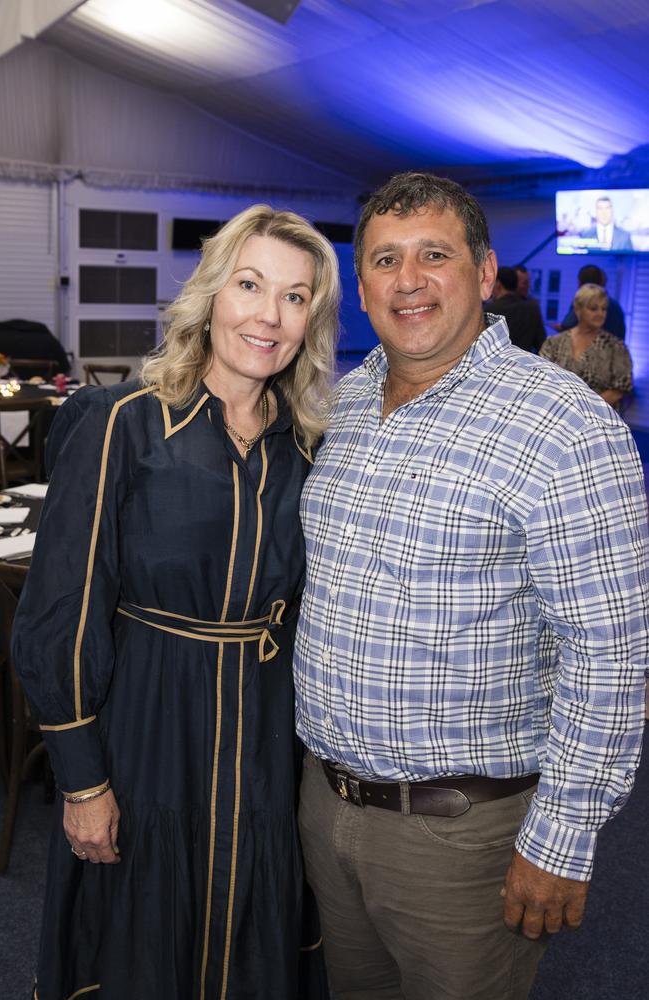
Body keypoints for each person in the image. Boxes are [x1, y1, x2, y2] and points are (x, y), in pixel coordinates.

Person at [293, 172, 648, 1000]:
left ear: (485, 274)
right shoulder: (340, 410)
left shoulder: (565, 426)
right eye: (385, 258)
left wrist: (560, 842)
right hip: (326, 807)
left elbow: (609, 659)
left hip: (462, 835)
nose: (408, 279)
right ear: (362, 284)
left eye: (434, 255)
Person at [13, 204, 341, 1000]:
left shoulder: (306, 444)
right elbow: (62, 609)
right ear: (211, 293)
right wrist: (84, 780)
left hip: (265, 736)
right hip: (149, 727)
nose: (269, 315)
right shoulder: (121, 421)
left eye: (296, 297)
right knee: (143, 935)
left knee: (250, 931)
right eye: (251, 284)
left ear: (313, 319)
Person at [540, 283, 632, 411]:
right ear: (578, 309)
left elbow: (619, 389)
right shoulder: (554, 343)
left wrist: (584, 410)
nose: (600, 314)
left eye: (604, 309)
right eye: (593, 308)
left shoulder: (616, 348)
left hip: (598, 420)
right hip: (555, 416)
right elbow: (541, 380)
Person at [558, 264, 626, 340]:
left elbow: (568, 326)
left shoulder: (581, 301)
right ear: (602, 283)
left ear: (580, 284)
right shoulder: (616, 307)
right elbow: (621, 335)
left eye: (603, 309)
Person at [489, 265, 546, 352]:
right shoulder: (532, 308)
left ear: (498, 284)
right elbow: (541, 345)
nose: (527, 286)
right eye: (524, 283)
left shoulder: (489, 309)